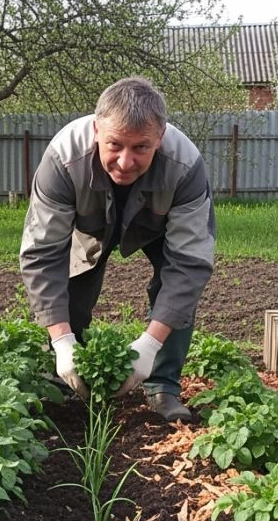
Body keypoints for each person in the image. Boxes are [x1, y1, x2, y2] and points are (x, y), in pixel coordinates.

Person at [19, 76, 216, 421]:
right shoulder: (64, 159)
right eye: (114, 145)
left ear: (161, 137)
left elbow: (189, 264)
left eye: (141, 147)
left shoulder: (185, 166)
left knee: (174, 289)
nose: (125, 161)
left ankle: (163, 386)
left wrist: (149, 345)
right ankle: (68, 376)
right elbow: (43, 253)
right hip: (90, 220)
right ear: (97, 130)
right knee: (73, 282)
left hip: (157, 224)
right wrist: (62, 342)